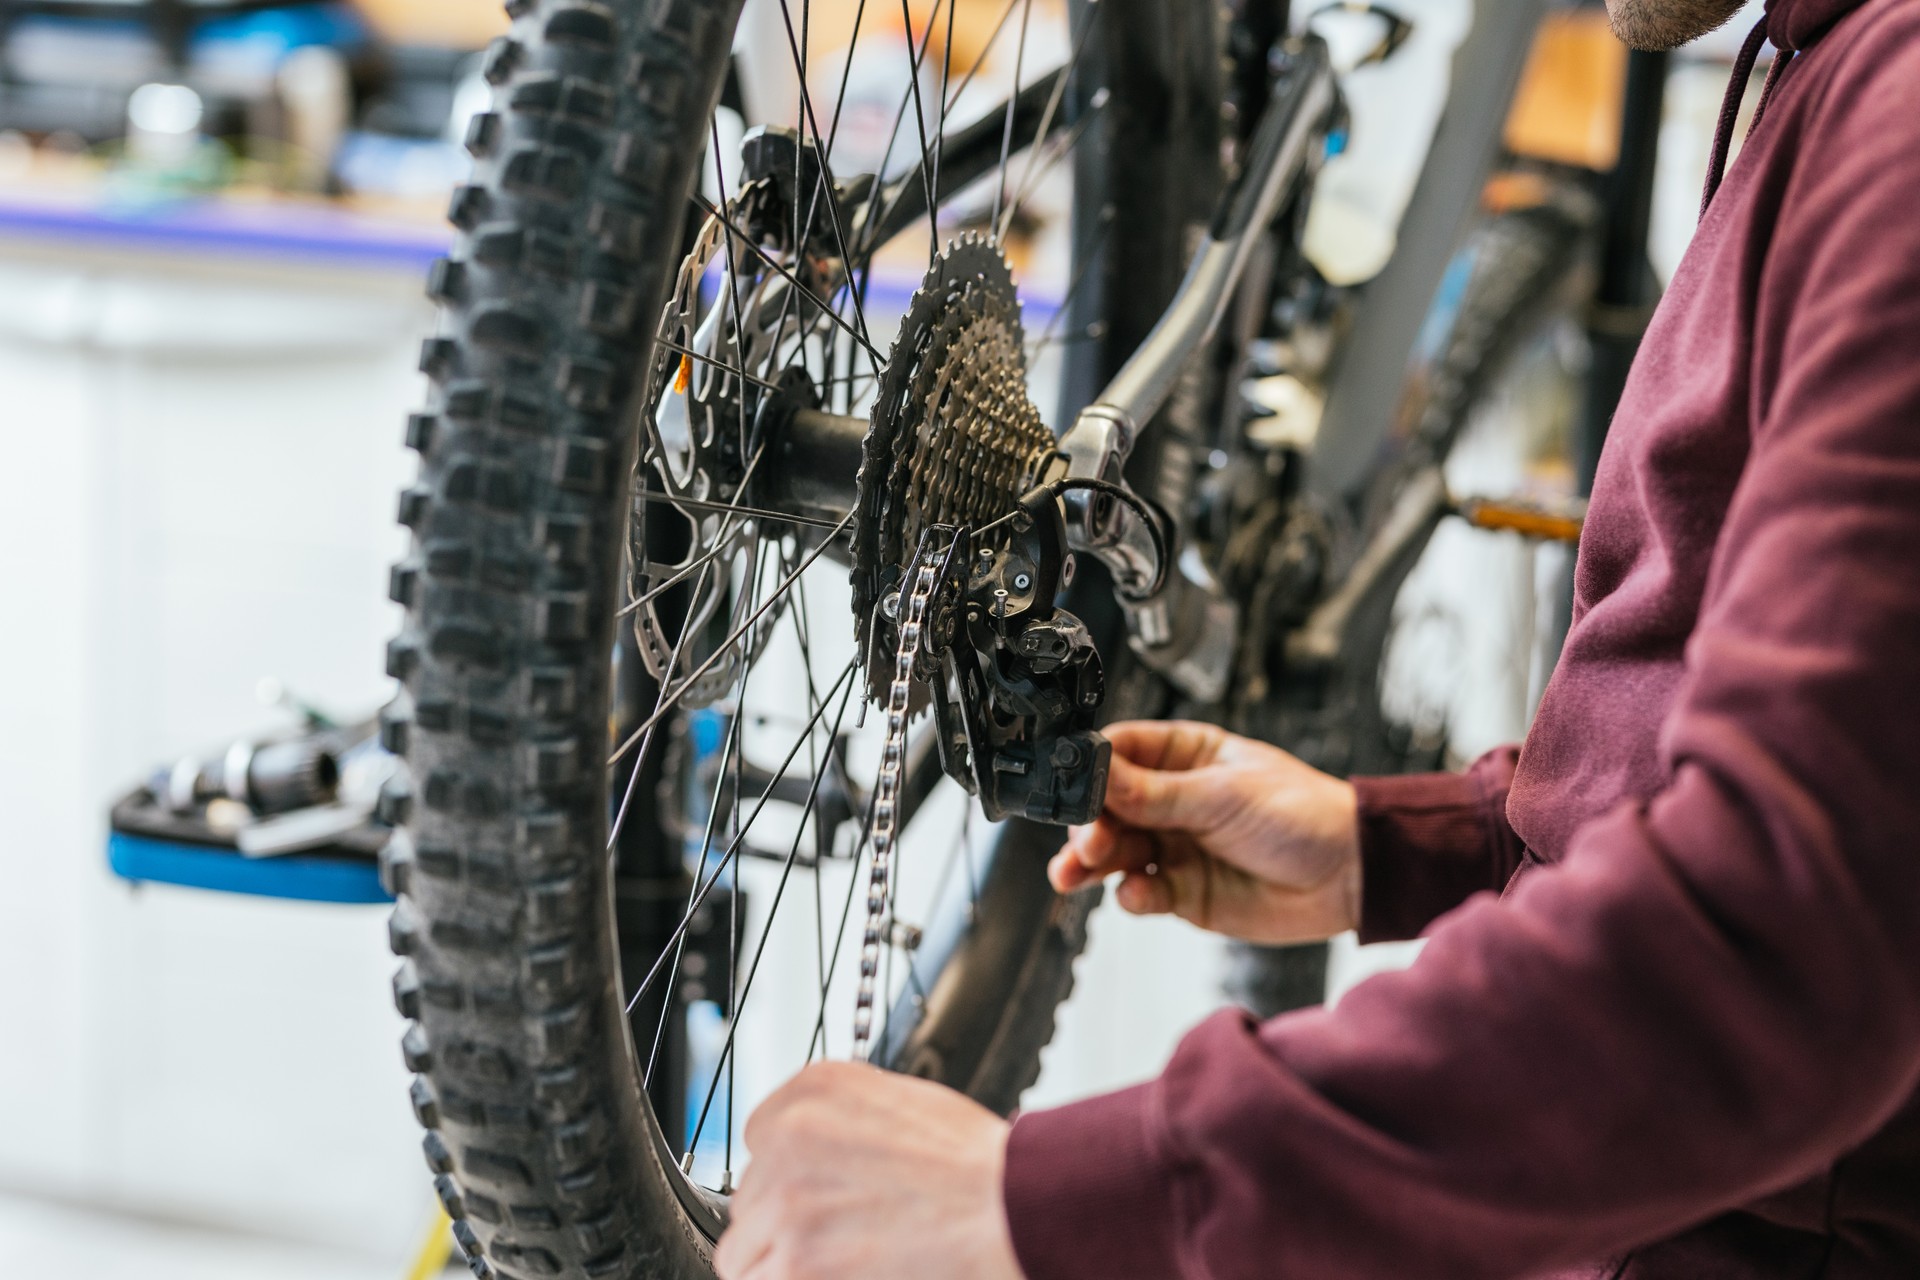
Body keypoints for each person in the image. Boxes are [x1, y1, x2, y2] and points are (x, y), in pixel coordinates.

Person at [713, 0, 1920, 1269]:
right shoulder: (1833, 73)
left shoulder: (1897, 107)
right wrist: (1400, 849)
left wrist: (1056, 1202)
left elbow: (1777, 953)